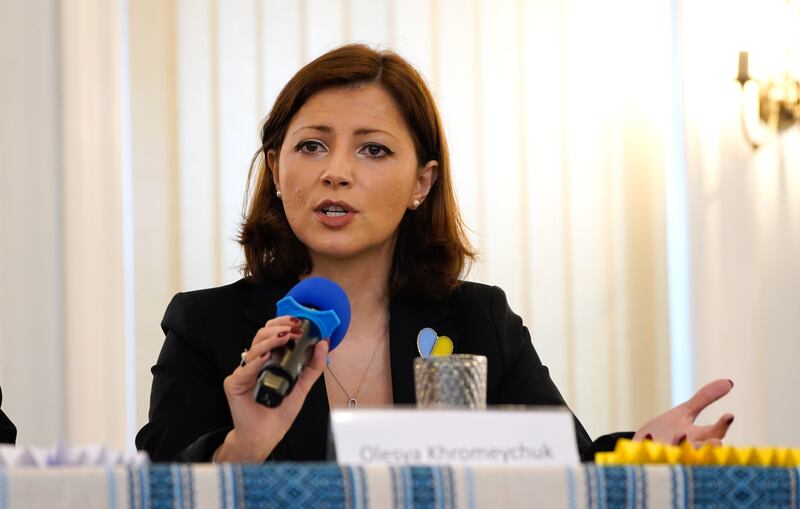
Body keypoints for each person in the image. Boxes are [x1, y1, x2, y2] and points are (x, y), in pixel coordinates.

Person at [135, 44, 734, 463]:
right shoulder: (205, 325)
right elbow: (161, 490)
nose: (336, 173)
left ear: (422, 183)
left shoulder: (479, 322)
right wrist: (245, 448)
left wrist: (638, 455)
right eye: (312, 145)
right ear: (276, 166)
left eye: (372, 150)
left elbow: (565, 471)